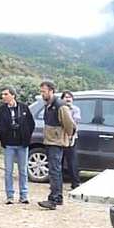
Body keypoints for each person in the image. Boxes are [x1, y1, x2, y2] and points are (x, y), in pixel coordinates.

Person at [0, 85, 35, 204]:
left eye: (5, 94)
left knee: (23, 170)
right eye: (2, 94)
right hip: (9, 144)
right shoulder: (0, 110)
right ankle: (9, 196)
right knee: (8, 171)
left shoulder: (24, 108)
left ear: (13, 95)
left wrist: (26, 135)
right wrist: (3, 133)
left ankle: (24, 195)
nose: (3, 96)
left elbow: (31, 124)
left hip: (22, 144)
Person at [37, 80, 76, 210]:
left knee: (55, 171)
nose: (42, 94)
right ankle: (55, 197)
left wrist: (67, 137)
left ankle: (55, 198)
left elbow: (70, 124)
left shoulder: (60, 105)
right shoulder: (48, 105)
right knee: (54, 170)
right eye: (41, 91)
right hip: (50, 141)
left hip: (56, 142)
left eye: (44, 91)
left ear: (51, 91)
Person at [60, 90, 82, 189]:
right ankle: (57, 183)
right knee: (58, 161)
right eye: (66, 97)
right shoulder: (59, 109)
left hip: (71, 138)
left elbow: (75, 122)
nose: (68, 99)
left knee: (72, 161)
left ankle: (75, 183)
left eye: (69, 97)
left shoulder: (76, 109)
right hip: (60, 138)